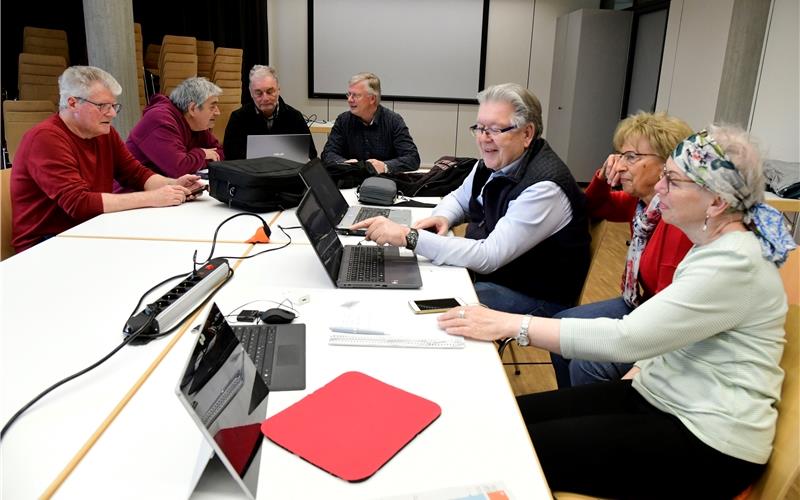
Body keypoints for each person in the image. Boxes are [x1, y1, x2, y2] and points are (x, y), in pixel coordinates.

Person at [438, 125, 796, 498]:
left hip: (708, 441)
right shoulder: (713, 246)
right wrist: (645, 371)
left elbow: (627, 337)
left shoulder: (733, 262)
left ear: (717, 202)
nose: (659, 188)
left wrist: (511, 324)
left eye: (672, 181)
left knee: (506, 447)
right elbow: (676, 331)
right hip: (662, 400)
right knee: (500, 423)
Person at [352, 83, 590, 316]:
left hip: (535, 295)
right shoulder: (496, 160)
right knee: (417, 280)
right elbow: (458, 198)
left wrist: (410, 237)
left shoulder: (544, 187)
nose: (483, 138)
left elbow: (489, 256)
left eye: (495, 129)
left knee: (426, 302)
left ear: (527, 133)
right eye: (479, 127)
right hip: (496, 275)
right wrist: (442, 217)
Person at [551, 112, 694, 388]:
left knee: (587, 363)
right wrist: (604, 177)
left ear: (666, 164)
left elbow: (668, 310)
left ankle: (592, 421)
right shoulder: (641, 204)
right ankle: (568, 405)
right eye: (620, 155)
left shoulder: (677, 218)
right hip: (636, 302)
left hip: (659, 317)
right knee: (561, 327)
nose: (621, 165)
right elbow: (589, 208)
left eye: (631, 157)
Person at [11, 66, 202, 253]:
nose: (112, 113)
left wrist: (174, 184)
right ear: (72, 103)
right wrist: (154, 198)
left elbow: (136, 174)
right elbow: (78, 204)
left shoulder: (103, 132)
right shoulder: (45, 138)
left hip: (90, 229)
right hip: (45, 244)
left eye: (113, 106)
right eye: (103, 106)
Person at [321, 72, 420, 174]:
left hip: (384, 183)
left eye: (355, 95)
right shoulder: (343, 120)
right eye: (349, 94)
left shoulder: (393, 121)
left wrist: (385, 166)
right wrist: (343, 163)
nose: (349, 100)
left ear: (372, 98)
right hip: (350, 182)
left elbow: (412, 158)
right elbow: (327, 154)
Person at [125, 76, 223, 178]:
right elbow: (179, 169)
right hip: (132, 190)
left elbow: (218, 153)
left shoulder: (195, 124)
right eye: (212, 107)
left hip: (167, 187)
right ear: (193, 108)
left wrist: (191, 159)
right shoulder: (160, 119)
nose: (218, 112)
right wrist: (202, 153)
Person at [223, 65, 317, 160]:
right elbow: (231, 156)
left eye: (270, 92)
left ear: (278, 90)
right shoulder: (238, 118)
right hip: (251, 173)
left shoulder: (294, 117)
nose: (265, 98)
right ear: (251, 93)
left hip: (287, 173)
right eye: (259, 93)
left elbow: (310, 154)